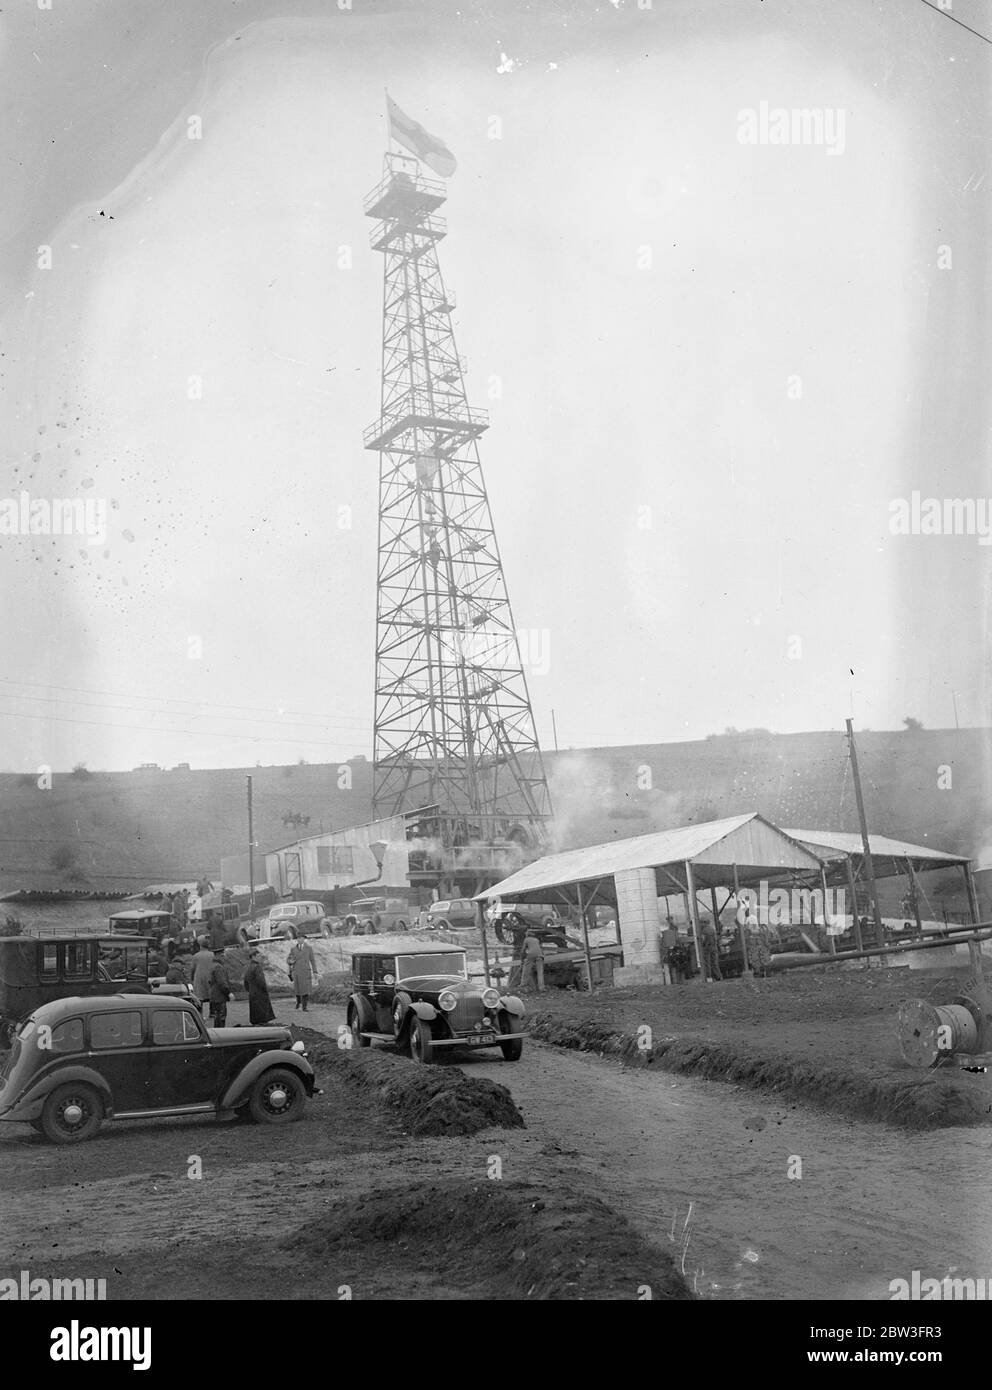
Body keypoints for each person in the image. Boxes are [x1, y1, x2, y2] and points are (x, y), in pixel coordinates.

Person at [243, 949, 276, 1026]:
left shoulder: (249, 967)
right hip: (260, 994)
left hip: (252, 993)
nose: (260, 957)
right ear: (253, 956)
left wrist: (249, 990)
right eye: (258, 956)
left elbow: (245, 981)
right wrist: (265, 990)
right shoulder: (257, 967)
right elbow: (261, 981)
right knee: (263, 1017)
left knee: (255, 1015)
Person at [287, 937, 316, 1011]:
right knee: (297, 988)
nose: (300, 940)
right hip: (296, 971)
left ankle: (304, 1006)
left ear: (304, 939)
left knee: (305, 989)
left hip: (305, 971)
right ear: (297, 939)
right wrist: (290, 963)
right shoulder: (293, 949)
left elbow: (312, 960)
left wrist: (315, 971)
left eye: (301, 938)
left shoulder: (309, 948)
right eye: (298, 938)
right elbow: (289, 960)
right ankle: (298, 1002)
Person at [208, 947, 233, 1026]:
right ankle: (221, 1034)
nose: (224, 956)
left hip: (214, 995)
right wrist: (229, 993)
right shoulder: (218, 967)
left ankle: (217, 1033)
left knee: (217, 1016)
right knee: (221, 1017)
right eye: (222, 955)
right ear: (218, 955)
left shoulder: (212, 965)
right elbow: (222, 983)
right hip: (219, 996)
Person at [190, 937, 214, 1011]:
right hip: (210, 976)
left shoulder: (196, 956)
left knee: (199, 996)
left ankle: (199, 1012)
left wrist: (191, 978)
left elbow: (192, 968)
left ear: (201, 946)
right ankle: (212, 1012)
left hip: (199, 977)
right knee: (211, 994)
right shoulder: (212, 955)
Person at [699, 914, 723, 982]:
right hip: (714, 948)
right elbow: (715, 939)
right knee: (715, 963)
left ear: (704, 923)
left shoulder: (703, 931)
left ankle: (709, 978)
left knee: (707, 964)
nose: (700, 924)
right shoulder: (712, 929)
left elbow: (703, 941)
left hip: (707, 949)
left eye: (701, 923)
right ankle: (718, 977)